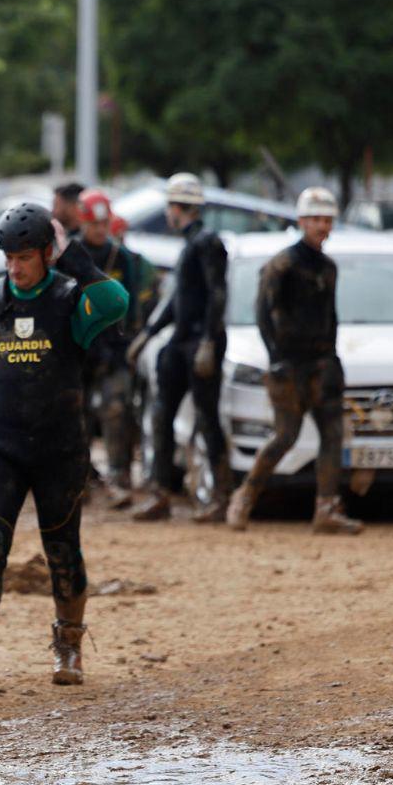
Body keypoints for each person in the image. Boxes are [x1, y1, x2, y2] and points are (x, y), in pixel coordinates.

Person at [0, 203, 128, 693]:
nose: (15, 266)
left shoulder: (72, 300)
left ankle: (69, 647)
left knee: (62, 550)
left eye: (26, 256)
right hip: (1, 445)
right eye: (9, 256)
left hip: (60, 449)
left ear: (46, 254)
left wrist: (72, 254)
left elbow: (116, 302)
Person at [227, 188, 362, 534]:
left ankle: (326, 510)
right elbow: (262, 312)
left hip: (322, 366)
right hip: (289, 367)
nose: (322, 226)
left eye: (327, 220)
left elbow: (331, 316)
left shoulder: (328, 267)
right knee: (285, 436)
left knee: (333, 436)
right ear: (302, 222)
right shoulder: (282, 264)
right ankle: (244, 498)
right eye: (316, 219)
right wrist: (275, 359)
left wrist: (333, 359)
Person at [129, 173, 230, 522]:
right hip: (180, 342)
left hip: (200, 344)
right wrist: (148, 334)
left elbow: (218, 294)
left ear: (176, 208)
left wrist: (208, 342)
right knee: (161, 414)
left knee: (207, 417)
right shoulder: (189, 245)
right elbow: (179, 301)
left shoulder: (207, 243)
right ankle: (161, 493)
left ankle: (219, 498)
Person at [75, 189, 156, 508]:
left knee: (117, 410)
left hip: (115, 348)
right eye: (93, 224)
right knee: (75, 415)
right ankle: (77, 480)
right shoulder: (73, 255)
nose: (99, 229)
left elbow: (132, 305)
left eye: (103, 223)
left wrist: (127, 346)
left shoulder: (121, 258)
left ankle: (118, 478)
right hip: (79, 349)